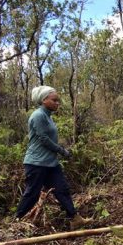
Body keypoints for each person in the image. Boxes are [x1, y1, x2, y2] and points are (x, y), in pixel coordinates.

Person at [16, 86, 91, 230]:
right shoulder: (38, 115)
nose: (58, 103)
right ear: (44, 100)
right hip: (36, 163)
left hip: (51, 163)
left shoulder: (48, 116)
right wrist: (62, 150)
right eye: (54, 100)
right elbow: (44, 139)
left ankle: (75, 219)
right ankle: (17, 220)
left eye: (58, 100)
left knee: (62, 189)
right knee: (32, 193)